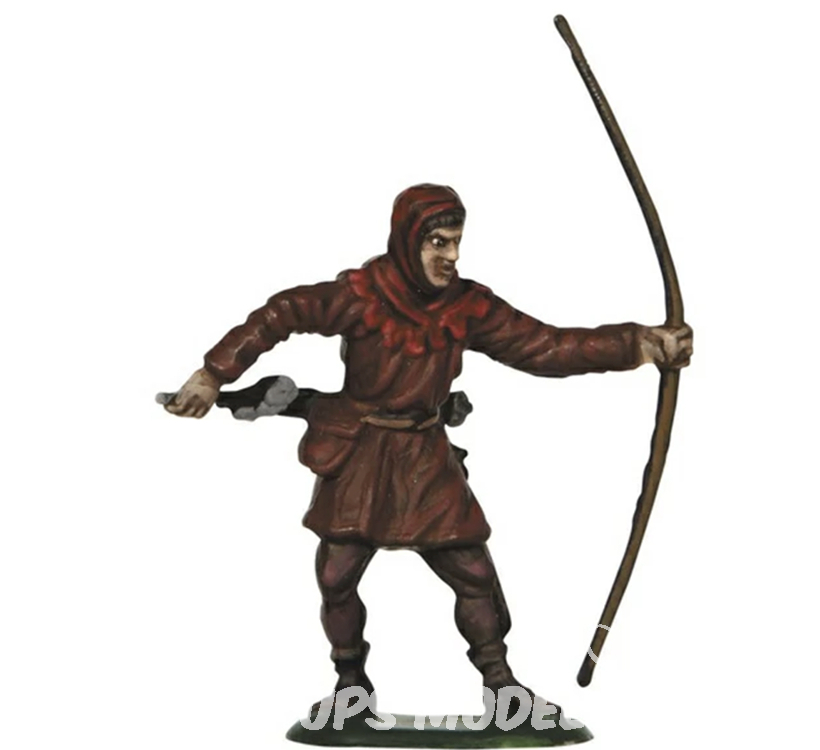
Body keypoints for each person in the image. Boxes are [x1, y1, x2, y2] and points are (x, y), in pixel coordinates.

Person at [165, 183, 692, 711]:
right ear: (408, 239)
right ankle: (351, 685)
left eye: (457, 242)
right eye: (438, 243)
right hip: (361, 454)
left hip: (425, 456)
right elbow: (283, 312)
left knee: (473, 574)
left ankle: (502, 686)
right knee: (336, 576)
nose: (452, 256)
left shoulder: (468, 306)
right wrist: (213, 374)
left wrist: (641, 343)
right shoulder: (362, 295)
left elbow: (546, 347)